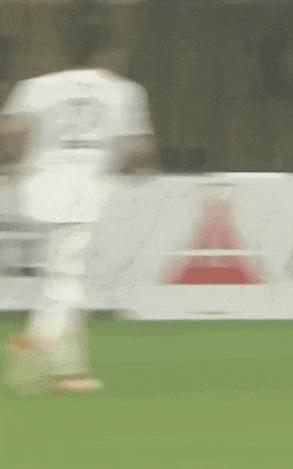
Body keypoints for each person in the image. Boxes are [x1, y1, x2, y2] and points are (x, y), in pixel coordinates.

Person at [1, 0, 155, 395]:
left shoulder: (35, 87)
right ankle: (29, 353)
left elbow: (12, 133)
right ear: (108, 51)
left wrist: (23, 165)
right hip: (88, 191)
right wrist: (129, 166)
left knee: (63, 275)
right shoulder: (125, 92)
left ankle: (70, 372)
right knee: (66, 282)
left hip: (39, 188)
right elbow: (137, 150)